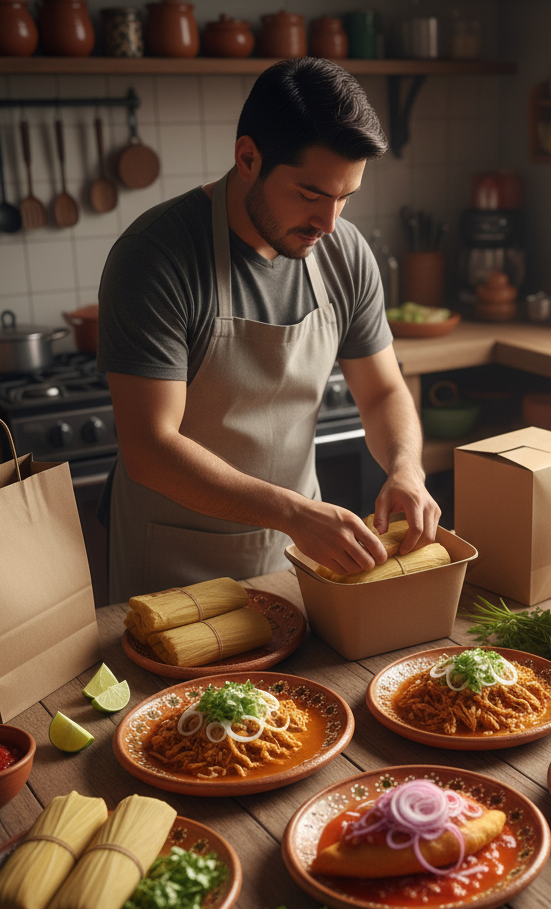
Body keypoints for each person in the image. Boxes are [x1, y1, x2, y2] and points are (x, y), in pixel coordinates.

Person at [96, 58, 440, 603]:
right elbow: (150, 448)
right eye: (310, 195)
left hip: (297, 549)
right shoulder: (154, 257)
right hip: (173, 561)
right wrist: (293, 513)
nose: (329, 223)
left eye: (345, 197)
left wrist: (406, 468)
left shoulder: (344, 252)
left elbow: (382, 391)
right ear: (248, 158)